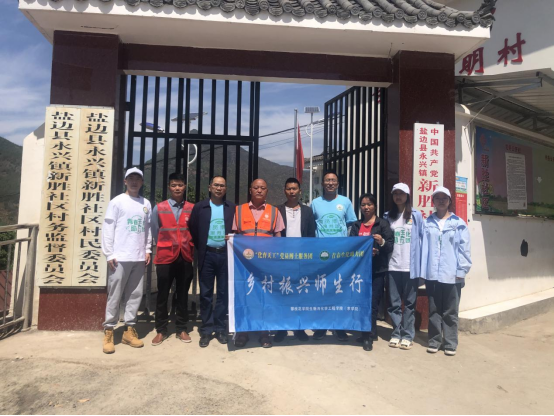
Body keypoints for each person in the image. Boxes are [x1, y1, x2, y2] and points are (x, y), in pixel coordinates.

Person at [101, 167, 152, 355]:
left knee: (135, 295)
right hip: (119, 257)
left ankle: (129, 330)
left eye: (137, 179)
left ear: (142, 182)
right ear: (125, 181)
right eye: (131, 179)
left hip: (138, 256)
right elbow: (108, 227)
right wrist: (109, 253)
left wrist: (147, 249)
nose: (134, 182)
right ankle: (109, 330)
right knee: (115, 294)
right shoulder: (117, 202)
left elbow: (148, 228)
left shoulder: (146, 203)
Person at [232, 179, 285, 349]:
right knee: (244, 296)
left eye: (263, 188)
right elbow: (234, 236)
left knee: (264, 297)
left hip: (265, 263)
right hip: (244, 264)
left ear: (267, 191)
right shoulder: (239, 211)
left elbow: (278, 239)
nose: (259, 190)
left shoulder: (274, 211)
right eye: (256, 187)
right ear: (250, 190)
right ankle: (243, 331)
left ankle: (264, 332)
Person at [421, 186, 472, 357]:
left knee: (451, 311)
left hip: (452, 274)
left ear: (450, 201)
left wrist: (462, 270)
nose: (441, 201)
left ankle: (450, 342)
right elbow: (423, 248)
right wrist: (423, 272)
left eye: (444, 198)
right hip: (432, 274)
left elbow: (464, 249)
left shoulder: (458, 223)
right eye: (438, 198)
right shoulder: (427, 223)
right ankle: (434, 341)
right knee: (434, 309)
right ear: (433, 201)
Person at [189, 176, 236, 348]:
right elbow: (193, 228)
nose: (219, 188)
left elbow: (236, 230)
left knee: (223, 293)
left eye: (222, 185)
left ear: (226, 188)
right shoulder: (200, 207)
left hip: (225, 255)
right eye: (216, 185)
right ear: (210, 187)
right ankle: (207, 330)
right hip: (207, 255)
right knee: (206, 294)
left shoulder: (231, 208)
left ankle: (220, 328)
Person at [311, 171, 358, 342]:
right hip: (321, 254)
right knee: (322, 289)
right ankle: (321, 326)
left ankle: (339, 326)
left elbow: (352, 225)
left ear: (338, 184)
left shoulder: (345, 202)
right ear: (322, 184)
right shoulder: (315, 203)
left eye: (333, 180)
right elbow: (311, 226)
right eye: (327, 180)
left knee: (340, 289)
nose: (330, 183)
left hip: (340, 254)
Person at [150, 173, 195, 347]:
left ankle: (181, 328)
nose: (177, 188)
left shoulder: (192, 208)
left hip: (185, 256)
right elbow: (155, 231)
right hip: (165, 257)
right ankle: (161, 330)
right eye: (174, 185)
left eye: (180, 185)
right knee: (162, 294)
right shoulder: (159, 208)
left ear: (185, 187)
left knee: (182, 294)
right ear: (169, 187)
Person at [274, 178, 317, 343]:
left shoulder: (307, 211)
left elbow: (311, 236)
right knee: (283, 294)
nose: (292, 191)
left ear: (300, 191)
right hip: (283, 260)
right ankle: (282, 328)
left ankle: (299, 328)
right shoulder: (277, 210)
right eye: (289, 189)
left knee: (300, 294)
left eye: (294, 189)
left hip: (301, 259)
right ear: (284, 191)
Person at [350, 193, 394, 352]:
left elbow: (390, 246)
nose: (366, 207)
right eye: (363, 205)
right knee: (361, 303)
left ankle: (368, 336)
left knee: (373, 303)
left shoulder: (382, 224)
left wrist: (381, 243)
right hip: (360, 271)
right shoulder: (356, 225)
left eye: (369, 204)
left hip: (377, 270)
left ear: (375, 206)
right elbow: (351, 246)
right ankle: (368, 332)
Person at [383, 183, 424, 350]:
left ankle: (407, 335)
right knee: (394, 303)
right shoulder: (388, 216)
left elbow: (422, 239)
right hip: (392, 265)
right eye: (395, 194)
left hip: (410, 266)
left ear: (407, 196)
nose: (398, 197)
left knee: (409, 303)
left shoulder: (416, 215)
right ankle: (396, 333)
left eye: (401, 193)